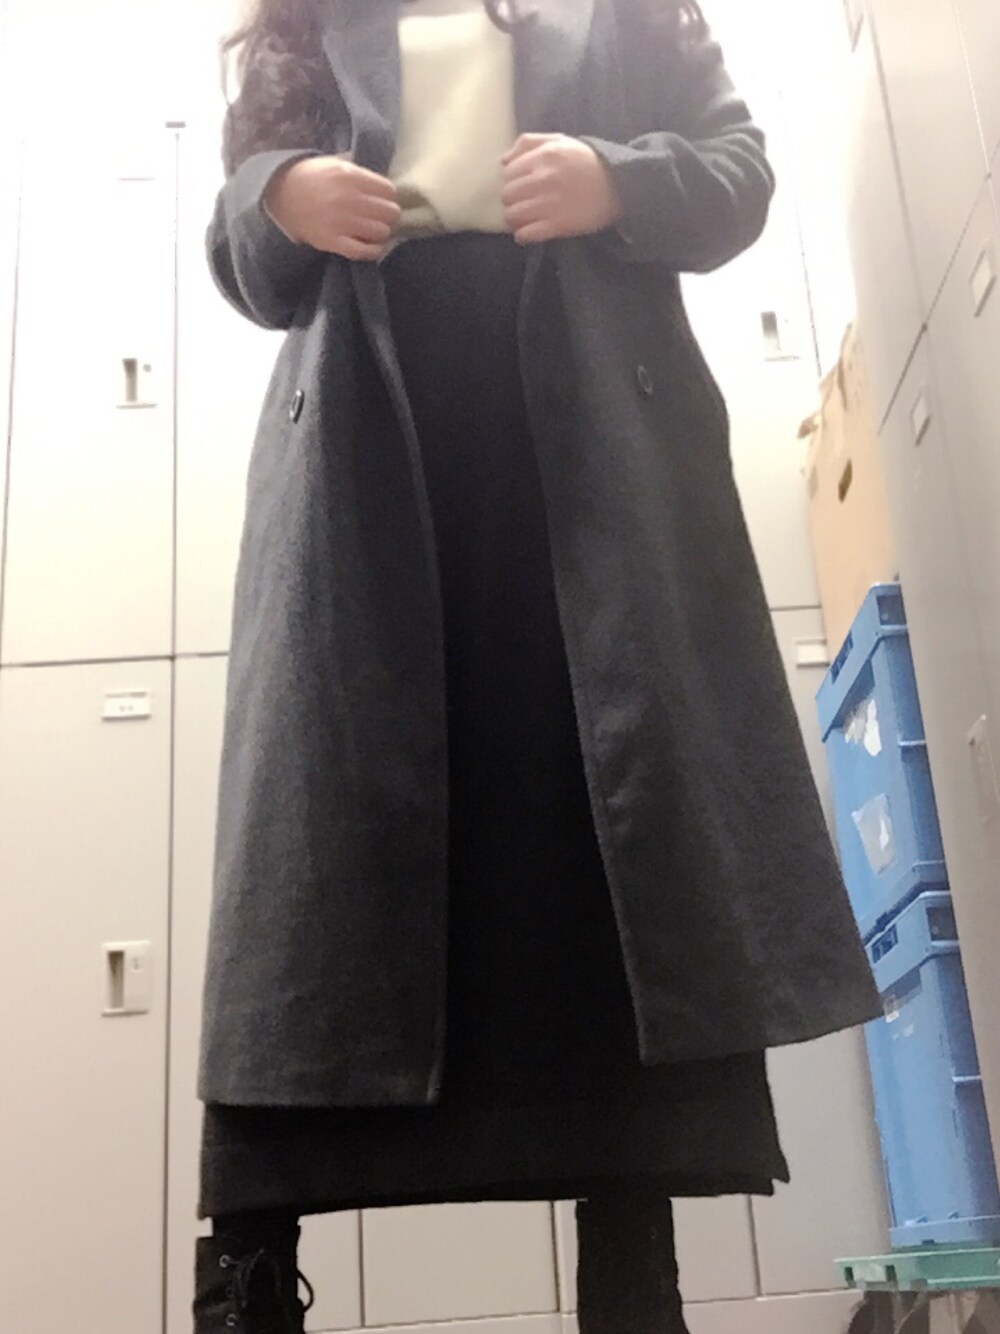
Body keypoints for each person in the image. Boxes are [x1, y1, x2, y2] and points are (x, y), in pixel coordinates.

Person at [194, 1, 881, 1331]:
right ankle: (250, 1275)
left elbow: (736, 174)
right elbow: (247, 254)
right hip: (365, 502)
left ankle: (636, 1282)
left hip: (590, 500)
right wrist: (283, 196)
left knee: (604, 853)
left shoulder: (627, 10)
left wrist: (613, 179)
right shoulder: (305, 25)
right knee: (320, 872)